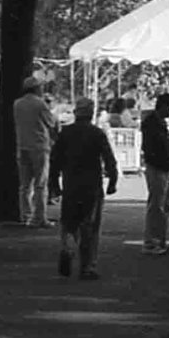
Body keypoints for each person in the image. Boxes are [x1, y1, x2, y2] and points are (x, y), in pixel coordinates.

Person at [49, 97, 119, 280]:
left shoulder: (66, 133)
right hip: (92, 185)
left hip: (71, 184)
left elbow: (55, 159)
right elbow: (109, 158)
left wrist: (54, 183)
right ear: (91, 112)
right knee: (90, 227)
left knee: (69, 223)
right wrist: (113, 180)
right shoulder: (97, 133)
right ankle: (87, 267)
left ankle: (68, 247)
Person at [12, 74, 59, 229]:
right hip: (39, 146)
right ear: (36, 88)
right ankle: (39, 217)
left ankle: (25, 215)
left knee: (24, 185)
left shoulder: (17, 104)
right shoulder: (40, 104)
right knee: (40, 184)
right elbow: (51, 122)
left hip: (22, 145)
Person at [139, 92, 169, 255]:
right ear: (163, 106)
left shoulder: (159, 123)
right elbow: (153, 148)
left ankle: (160, 239)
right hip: (158, 167)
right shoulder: (152, 123)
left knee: (165, 206)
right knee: (157, 205)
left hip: (166, 167)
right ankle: (152, 241)